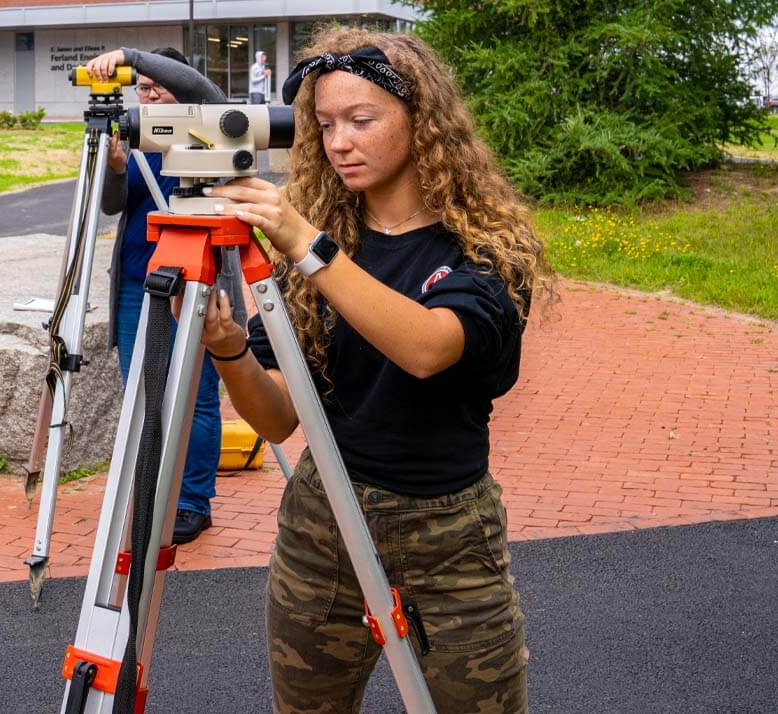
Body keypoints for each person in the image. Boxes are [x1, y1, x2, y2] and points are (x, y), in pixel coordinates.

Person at [197, 28, 553, 713]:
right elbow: (276, 416)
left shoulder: (482, 248)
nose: (339, 143)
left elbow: (426, 347)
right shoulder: (320, 246)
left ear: (422, 122)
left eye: (361, 121)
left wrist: (305, 242)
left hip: (448, 539)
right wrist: (228, 349)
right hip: (321, 523)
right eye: (325, 125)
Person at [86, 46, 227, 544]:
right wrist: (118, 166)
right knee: (141, 392)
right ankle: (151, 489)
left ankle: (192, 501)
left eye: (155, 88)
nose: (146, 97)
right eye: (140, 89)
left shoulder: (206, 127)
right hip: (135, 280)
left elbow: (202, 91)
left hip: (194, 277)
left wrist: (130, 56)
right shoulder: (134, 136)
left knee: (197, 395)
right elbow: (110, 206)